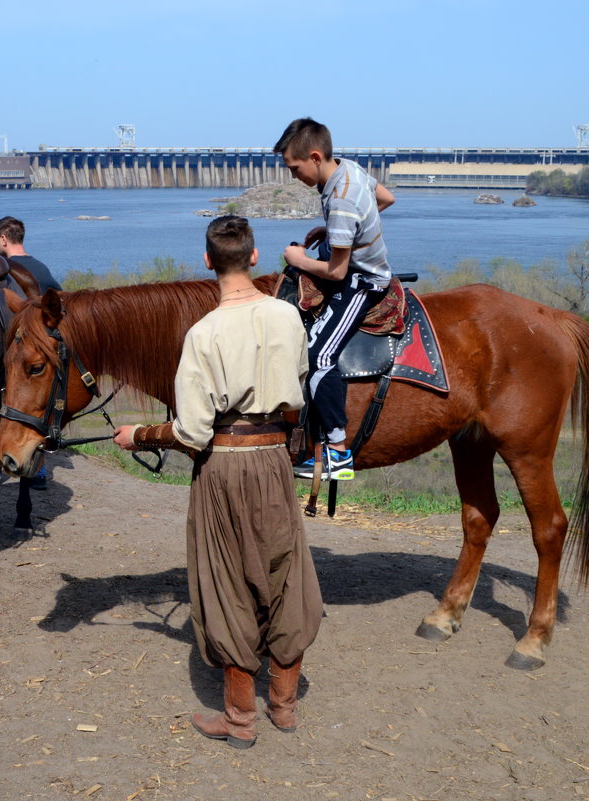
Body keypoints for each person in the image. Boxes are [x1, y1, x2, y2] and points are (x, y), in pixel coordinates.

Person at [113, 215, 323, 749]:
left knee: (225, 583)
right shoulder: (287, 317)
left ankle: (240, 720)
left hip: (224, 467)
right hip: (276, 461)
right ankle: (284, 707)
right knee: (285, 575)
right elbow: (298, 391)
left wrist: (139, 434)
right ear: (254, 258)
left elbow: (191, 431)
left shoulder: (202, 334)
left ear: (208, 262)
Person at [274, 117, 396, 481]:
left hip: (362, 280)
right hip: (352, 262)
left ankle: (338, 453)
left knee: (318, 354)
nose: (294, 177)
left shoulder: (340, 199)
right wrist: (335, 231)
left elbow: (338, 272)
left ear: (314, 157)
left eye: (295, 169)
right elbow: (386, 198)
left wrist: (298, 259)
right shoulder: (349, 169)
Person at [0, 215, 60, 490]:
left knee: (0, 410)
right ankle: (39, 472)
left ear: (4, 239)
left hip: (12, 353)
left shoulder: (2, 272)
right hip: (38, 354)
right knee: (36, 410)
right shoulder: (42, 270)